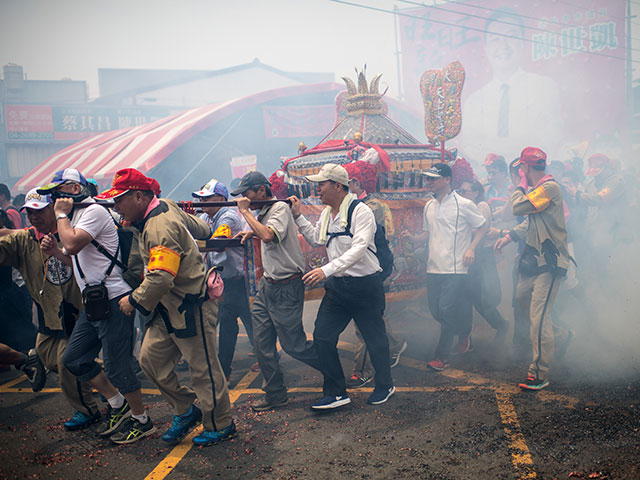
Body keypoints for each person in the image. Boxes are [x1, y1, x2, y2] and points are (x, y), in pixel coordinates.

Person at [99, 168, 235, 447]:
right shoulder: (166, 205)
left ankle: (221, 424)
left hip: (189, 307)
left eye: (119, 200)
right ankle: (185, 410)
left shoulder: (159, 227)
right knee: (151, 359)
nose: (116, 207)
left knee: (204, 370)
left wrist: (133, 300)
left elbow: (161, 276)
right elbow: (203, 228)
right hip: (166, 309)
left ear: (138, 196)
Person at [37, 168, 152, 444]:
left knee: (117, 366)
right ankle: (117, 404)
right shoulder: (76, 217)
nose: (53, 199)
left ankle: (142, 420)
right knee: (74, 359)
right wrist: (54, 252)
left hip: (114, 299)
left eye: (56, 193)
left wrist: (62, 216)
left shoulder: (93, 212)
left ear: (74, 190)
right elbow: (74, 260)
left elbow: (74, 244)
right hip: (94, 302)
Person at [291, 163, 396, 410]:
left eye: (322, 184)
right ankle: (336, 392)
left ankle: (385, 385)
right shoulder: (328, 213)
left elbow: (359, 249)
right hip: (338, 287)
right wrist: (298, 216)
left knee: (375, 339)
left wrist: (325, 271)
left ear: (338, 185)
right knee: (322, 337)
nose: (317, 189)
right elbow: (317, 238)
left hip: (365, 286)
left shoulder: (361, 211)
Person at [0, 188, 101, 429]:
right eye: (29, 213)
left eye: (39, 211)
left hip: (76, 315)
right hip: (49, 319)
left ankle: (88, 410)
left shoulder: (72, 233)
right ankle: (104, 376)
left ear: (52, 209)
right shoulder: (23, 240)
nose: (34, 217)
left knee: (68, 364)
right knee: (48, 357)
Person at [232, 171, 323, 412]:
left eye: (247, 193)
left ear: (262, 190)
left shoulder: (280, 208)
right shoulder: (266, 211)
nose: (245, 198)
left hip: (286, 286)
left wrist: (244, 212)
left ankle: (331, 369)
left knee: (294, 345)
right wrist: (251, 229)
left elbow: (269, 235)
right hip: (268, 285)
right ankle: (275, 394)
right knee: (262, 344)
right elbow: (264, 231)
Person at [495, 147, 572, 390]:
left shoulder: (550, 188)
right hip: (534, 262)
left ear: (525, 168)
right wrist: (509, 236)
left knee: (538, 318)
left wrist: (520, 184)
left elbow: (518, 208)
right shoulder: (540, 191)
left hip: (550, 263)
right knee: (522, 301)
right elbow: (530, 222)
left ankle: (539, 373)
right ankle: (559, 335)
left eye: (521, 169)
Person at [404, 163, 487, 371]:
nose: (430, 181)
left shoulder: (464, 204)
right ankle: (464, 331)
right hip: (434, 267)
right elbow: (427, 233)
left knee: (446, 309)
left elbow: (482, 225)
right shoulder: (429, 206)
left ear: (447, 180)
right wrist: (414, 239)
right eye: (428, 178)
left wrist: (472, 249)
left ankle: (442, 357)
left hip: (456, 268)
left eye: (434, 178)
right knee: (436, 311)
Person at [457, 7, 563, 162]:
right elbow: (470, 150)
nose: (503, 45)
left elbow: (549, 141)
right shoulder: (473, 102)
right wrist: (520, 143)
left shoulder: (544, 87)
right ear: (486, 48)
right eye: (495, 39)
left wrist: (492, 147)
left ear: (522, 43)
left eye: (511, 37)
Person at [343, 162, 407, 388]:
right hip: (357, 269)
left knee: (364, 324)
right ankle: (395, 344)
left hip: (371, 269)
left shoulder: (370, 207)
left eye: (346, 181)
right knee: (372, 318)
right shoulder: (353, 205)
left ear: (357, 183)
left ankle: (363, 370)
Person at [192, 178, 254, 381]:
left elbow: (217, 243)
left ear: (220, 198)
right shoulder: (206, 217)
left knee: (247, 323)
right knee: (232, 324)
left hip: (236, 281)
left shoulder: (228, 216)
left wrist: (192, 244)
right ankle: (226, 369)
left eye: (206, 199)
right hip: (221, 281)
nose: (201, 203)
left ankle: (227, 369)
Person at [457, 180, 508, 345]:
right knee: (468, 295)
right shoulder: (465, 207)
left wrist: (460, 227)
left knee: (483, 298)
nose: (461, 194)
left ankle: (501, 325)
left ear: (476, 192)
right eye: (460, 191)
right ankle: (465, 337)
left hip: (482, 255)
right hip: (469, 254)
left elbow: (482, 229)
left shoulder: (482, 206)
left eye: (465, 191)